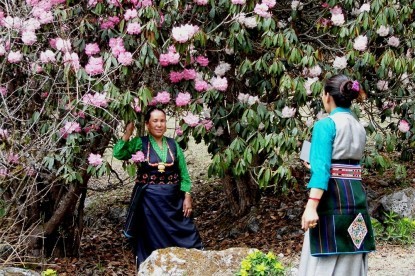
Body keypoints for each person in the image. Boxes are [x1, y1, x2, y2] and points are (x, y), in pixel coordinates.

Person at [298, 74, 376, 276]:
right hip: (356, 199)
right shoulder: (359, 126)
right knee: (352, 250)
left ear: (327, 96)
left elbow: (322, 170)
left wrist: (311, 206)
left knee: (324, 258)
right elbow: (345, 165)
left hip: (331, 200)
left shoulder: (325, 125)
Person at [113, 107, 203, 268]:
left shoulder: (173, 144)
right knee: (151, 236)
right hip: (149, 200)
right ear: (147, 124)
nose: (159, 124)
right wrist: (127, 132)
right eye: (155, 121)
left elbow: (184, 173)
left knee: (185, 230)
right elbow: (119, 153)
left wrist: (187, 196)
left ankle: (189, 265)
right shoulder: (140, 143)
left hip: (174, 198)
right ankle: (155, 267)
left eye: (162, 121)